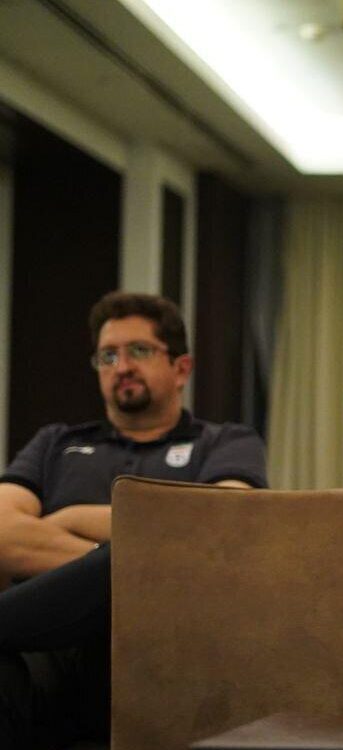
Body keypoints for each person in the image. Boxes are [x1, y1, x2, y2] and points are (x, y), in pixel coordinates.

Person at [0, 291, 268, 748]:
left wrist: (67, 518)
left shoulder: (226, 442)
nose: (121, 366)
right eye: (108, 355)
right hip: (49, 645)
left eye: (139, 351)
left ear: (181, 368)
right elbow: (4, 532)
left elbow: (220, 524)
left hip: (167, 647)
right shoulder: (55, 444)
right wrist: (124, 560)